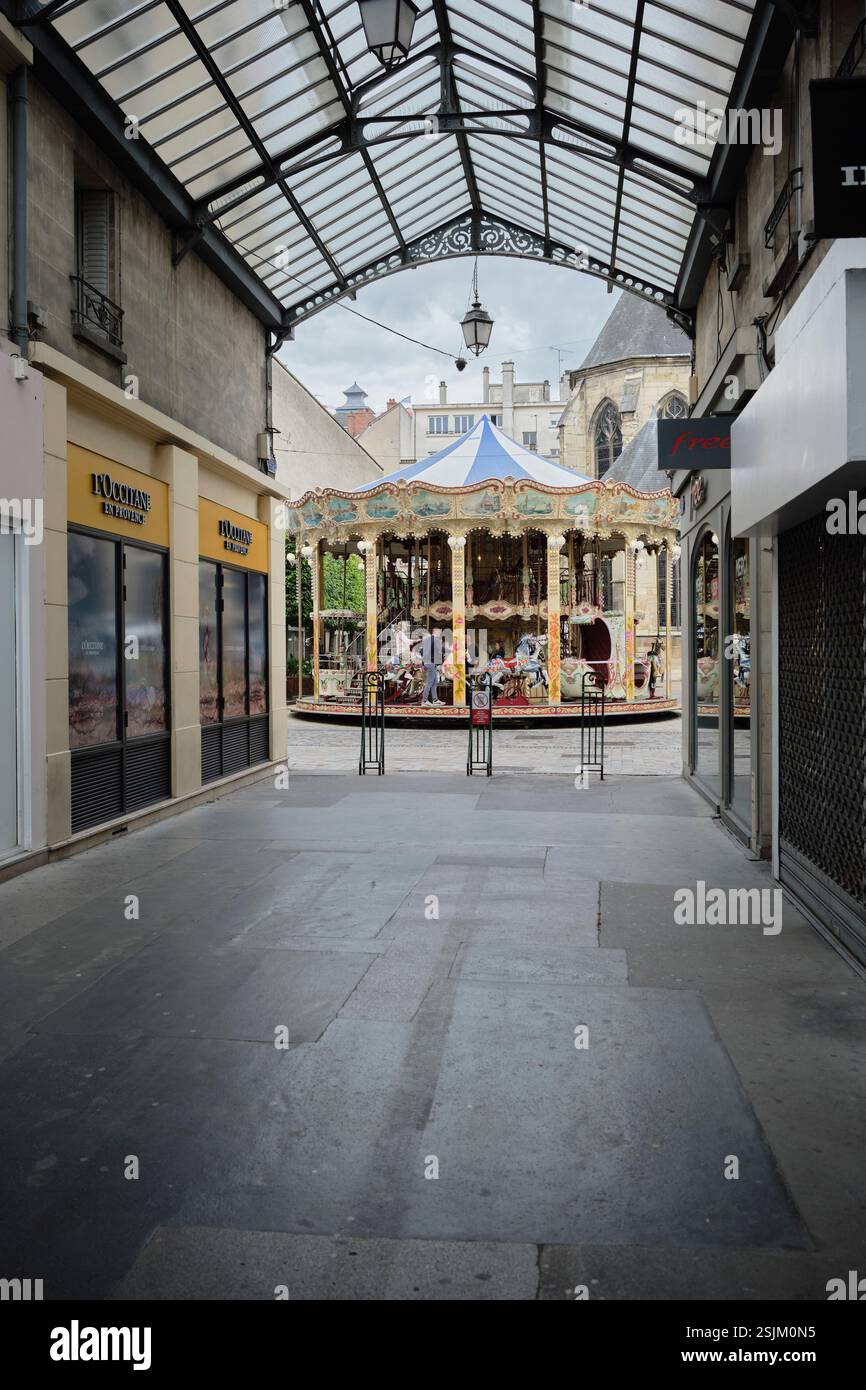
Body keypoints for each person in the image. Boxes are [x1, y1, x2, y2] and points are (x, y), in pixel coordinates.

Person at [421, 626, 443, 705]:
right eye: (440, 632)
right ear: (436, 631)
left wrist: (423, 664)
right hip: (431, 663)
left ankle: (435, 700)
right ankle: (424, 700)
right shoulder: (435, 640)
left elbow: (421, 651)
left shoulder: (427, 640)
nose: (440, 633)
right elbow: (439, 652)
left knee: (434, 682)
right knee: (429, 683)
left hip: (428, 663)